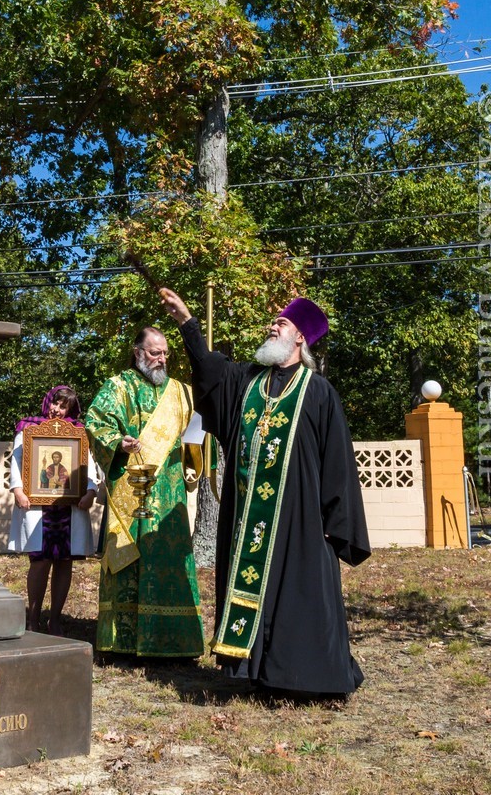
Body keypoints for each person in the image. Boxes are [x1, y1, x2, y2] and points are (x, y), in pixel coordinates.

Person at [159, 287, 371, 698]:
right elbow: (209, 371)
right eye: (274, 322)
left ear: (300, 338)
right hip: (247, 517)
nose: (272, 327)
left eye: (282, 323)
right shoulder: (247, 382)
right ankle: (253, 672)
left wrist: (336, 522)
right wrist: (187, 323)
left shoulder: (318, 391)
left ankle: (305, 679)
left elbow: (338, 463)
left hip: (299, 520)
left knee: (300, 595)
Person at [85, 328, 202, 659]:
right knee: (129, 560)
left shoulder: (181, 392)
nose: (162, 359)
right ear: (138, 353)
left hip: (170, 492)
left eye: (165, 353)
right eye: (154, 353)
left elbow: (196, 434)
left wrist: (195, 452)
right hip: (131, 488)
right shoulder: (118, 386)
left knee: (170, 561)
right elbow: (95, 422)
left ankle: (174, 643)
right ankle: (123, 643)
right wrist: (117, 442)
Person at [8, 386, 97, 635]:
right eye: (55, 404)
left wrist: (90, 491)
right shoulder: (29, 428)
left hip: (68, 508)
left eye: (63, 406)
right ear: (47, 402)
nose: (57, 410)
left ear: (70, 409)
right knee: (40, 561)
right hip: (39, 507)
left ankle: (55, 619)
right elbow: (17, 462)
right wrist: (18, 490)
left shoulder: (78, 432)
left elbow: (87, 465)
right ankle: (33, 618)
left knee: (64, 562)